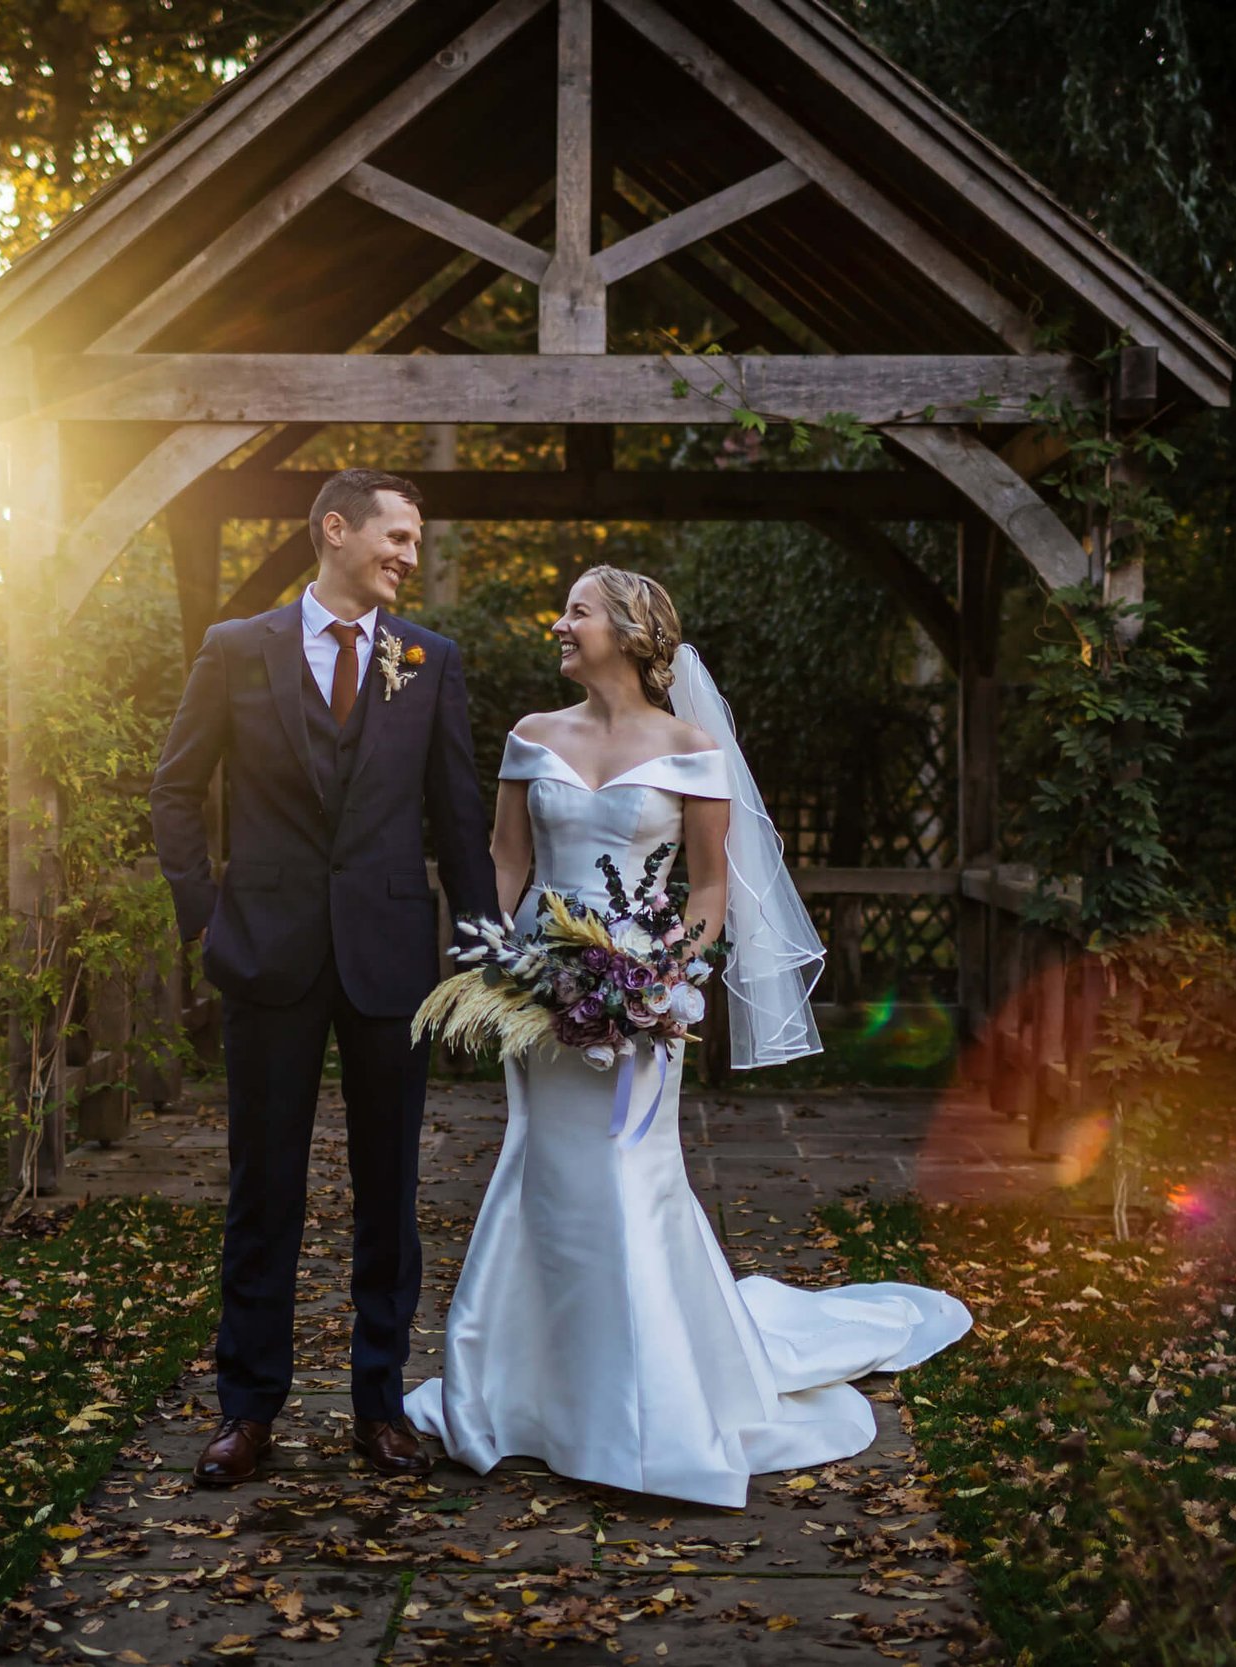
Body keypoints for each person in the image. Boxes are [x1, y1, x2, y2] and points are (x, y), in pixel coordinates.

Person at [402, 565, 971, 1507]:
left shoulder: (691, 747)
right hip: (541, 1001)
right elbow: (506, 860)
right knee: (538, 1173)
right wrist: (494, 966)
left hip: (642, 1006)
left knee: (630, 1183)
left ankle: (646, 1403)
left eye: (576, 610)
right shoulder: (529, 737)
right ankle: (520, 1389)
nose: (560, 622)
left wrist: (658, 976)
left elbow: (708, 890)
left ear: (627, 630)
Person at [149, 467, 497, 1487]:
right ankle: (246, 1409)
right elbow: (174, 791)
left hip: (389, 957)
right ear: (334, 530)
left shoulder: (431, 660)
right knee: (264, 1187)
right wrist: (203, 913)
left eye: (414, 539)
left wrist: (476, 951)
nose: (408, 554)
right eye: (395, 534)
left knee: (390, 1190)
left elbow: (458, 817)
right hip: (268, 950)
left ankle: (379, 1406)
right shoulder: (235, 649)